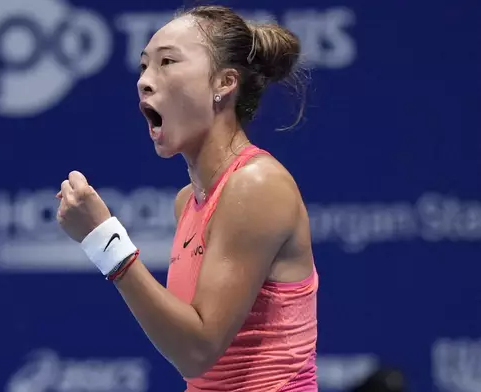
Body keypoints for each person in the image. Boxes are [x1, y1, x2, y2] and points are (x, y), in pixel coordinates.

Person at [56, 5, 318, 392]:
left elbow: (198, 350)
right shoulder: (188, 201)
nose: (145, 81)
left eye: (167, 62)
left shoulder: (256, 184)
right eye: (144, 66)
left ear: (223, 83)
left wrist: (104, 240)